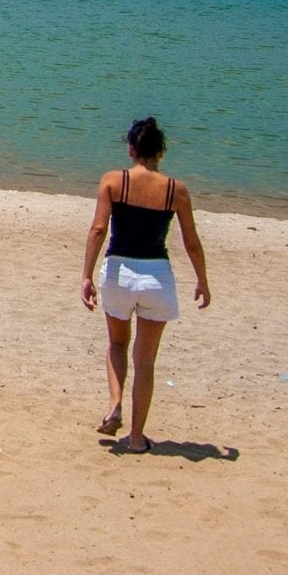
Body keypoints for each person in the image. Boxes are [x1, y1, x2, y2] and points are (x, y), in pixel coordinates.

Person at [80, 116, 212, 453]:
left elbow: (98, 230)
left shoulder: (113, 181)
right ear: (161, 151)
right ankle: (137, 438)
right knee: (146, 362)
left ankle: (114, 404)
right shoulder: (175, 190)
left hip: (118, 273)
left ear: (131, 149)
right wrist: (202, 280)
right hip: (156, 277)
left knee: (117, 343)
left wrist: (85, 275)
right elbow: (191, 241)